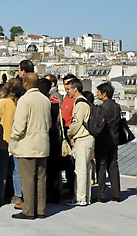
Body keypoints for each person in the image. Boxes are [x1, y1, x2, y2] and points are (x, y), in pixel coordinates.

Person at [9, 73, 51, 220]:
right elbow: (49, 123)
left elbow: (20, 125)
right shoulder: (45, 100)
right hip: (43, 145)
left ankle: (28, 210)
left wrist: (13, 139)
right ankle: (40, 209)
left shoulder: (25, 100)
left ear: (25, 84)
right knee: (41, 179)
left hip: (27, 145)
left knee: (27, 179)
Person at [65, 78, 95, 206]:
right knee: (85, 169)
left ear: (75, 89)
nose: (68, 92)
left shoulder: (80, 104)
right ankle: (85, 197)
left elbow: (76, 122)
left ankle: (81, 198)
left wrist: (69, 133)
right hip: (87, 138)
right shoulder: (84, 102)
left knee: (81, 170)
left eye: (69, 89)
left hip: (83, 138)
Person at [0, 78, 22, 206]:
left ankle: (0, 195)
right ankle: (18, 195)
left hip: (2, 140)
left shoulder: (2, 102)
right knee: (17, 170)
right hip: (18, 141)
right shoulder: (21, 102)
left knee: (2, 171)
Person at [95, 82, 121, 202]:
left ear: (104, 94)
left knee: (101, 166)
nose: (97, 95)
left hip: (103, 140)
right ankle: (116, 194)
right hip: (115, 139)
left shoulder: (102, 108)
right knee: (113, 166)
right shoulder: (117, 107)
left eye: (99, 92)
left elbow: (99, 124)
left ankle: (101, 195)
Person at [39, 77, 62, 204]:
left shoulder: (45, 102)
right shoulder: (54, 101)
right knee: (54, 168)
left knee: (46, 168)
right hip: (54, 135)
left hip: (47, 134)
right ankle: (55, 194)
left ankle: (47, 194)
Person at [60, 73, 77, 200]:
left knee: (72, 164)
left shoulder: (75, 99)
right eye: (65, 83)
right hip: (65, 132)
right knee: (67, 162)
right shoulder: (66, 97)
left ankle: (73, 188)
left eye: (69, 83)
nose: (67, 86)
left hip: (71, 133)